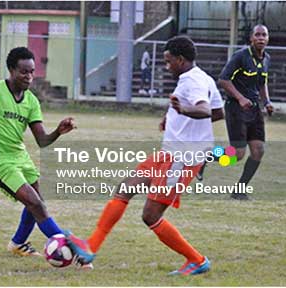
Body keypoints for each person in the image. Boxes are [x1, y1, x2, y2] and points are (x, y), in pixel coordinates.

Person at [0, 47, 94, 265]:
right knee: (36, 204)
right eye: (23, 72)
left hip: (22, 159)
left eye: (32, 72)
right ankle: (71, 249)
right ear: (11, 70)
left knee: (37, 201)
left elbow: (42, 141)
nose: (28, 77)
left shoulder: (31, 101)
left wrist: (58, 131)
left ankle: (18, 243)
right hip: (0, 162)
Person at [86, 36, 213, 276]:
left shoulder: (193, 80)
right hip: (168, 153)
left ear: (180, 59)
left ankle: (197, 260)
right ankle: (89, 248)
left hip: (180, 159)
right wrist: (174, 118)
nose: (167, 67)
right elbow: (216, 111)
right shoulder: (198, 78)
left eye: (168, 62)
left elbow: (205, 109)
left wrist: (184, 111)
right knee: (125, 188)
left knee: (150, 215)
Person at [218, 24, 273, 200]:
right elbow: (224, 79)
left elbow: (262, 82)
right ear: (251, 38)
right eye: (257, 35)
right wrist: (240, 98)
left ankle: (239, 190)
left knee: (258, 150)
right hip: (236, 108)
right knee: (238, 154)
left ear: (268, 38)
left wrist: (267, 102)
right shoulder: (241, 56)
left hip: (254, 109)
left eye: (263, 35)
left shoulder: (266, 59)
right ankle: (208, 158)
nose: (260, 38)